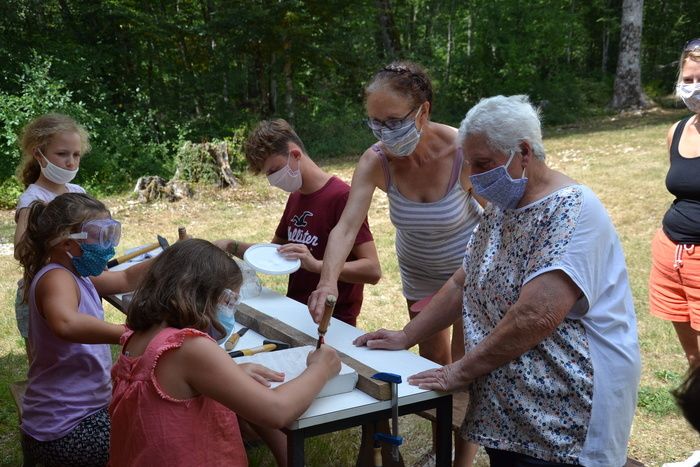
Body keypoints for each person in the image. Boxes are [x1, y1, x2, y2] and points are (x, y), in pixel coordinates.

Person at [354, 95, 642, 467]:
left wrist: (459, 370)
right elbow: (462, 282)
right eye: (469, 163)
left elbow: (536, 316)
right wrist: (407, 336)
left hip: (566, 409)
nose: (472, 176)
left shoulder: (572, 211)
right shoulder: (505, 208)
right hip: (509, 407)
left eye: (483, 163)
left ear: (523, 152)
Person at [309, 61, 482, 365]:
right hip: (420, 273)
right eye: (375, 122)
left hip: (469, 269)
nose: (383, 132)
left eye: (392, 121)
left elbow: (498, 219)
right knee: (431, 361)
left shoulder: (463, 151)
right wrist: (327, 281)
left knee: (465, 361)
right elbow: (346, 227)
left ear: (423, 112)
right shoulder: (375, 162)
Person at [109, 238, 341, 466]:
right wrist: (321, 369)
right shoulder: (191, 347)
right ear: (200, 295)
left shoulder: (138, 337)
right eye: (228, 302)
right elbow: (276, 410)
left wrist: (229, 373)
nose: (230, 312)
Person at [15, 192, 151, 466]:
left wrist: (171, 260)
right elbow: (65, 322)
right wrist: (125, 333)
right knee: (147, 442)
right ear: (67, 243)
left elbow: (125, 278)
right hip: (63, 428)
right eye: (101, 238)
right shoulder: (56, 278)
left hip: (71, 415)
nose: (109, 246)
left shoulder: (76, 271)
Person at [215, 118, 380, 326]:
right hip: (294, 311)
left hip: (332, 320)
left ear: (294, 154)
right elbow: (275, 251)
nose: (272, 180)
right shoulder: (296, 197)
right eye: (268, 175)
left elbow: (372, 270)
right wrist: (232, 245)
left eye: (274, 171)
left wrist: (317, 266)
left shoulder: (342, 197)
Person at [13, 113, 90, 362]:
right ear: (39, 154)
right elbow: (20, 250)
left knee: (77, 355)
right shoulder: (33, 199)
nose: (70, 162)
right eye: (62, 154)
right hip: (42, 295)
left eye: (76, 155)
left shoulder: (78, 193)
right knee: (47, 361)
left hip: (79, 287)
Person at [649, 38, 700, 368]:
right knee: (694, 361)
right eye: (688, 80)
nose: (694, 88)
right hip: (671, 256)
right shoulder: (677, 131)